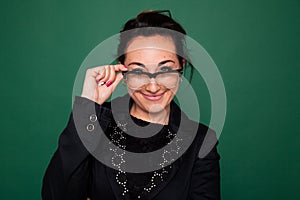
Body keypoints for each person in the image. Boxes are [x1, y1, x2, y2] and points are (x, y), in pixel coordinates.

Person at [42, 10, 220, 200]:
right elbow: (55, 195)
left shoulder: (201, 142)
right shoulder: (96, 122)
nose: (153, 86)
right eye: (138, 71)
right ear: (123, 71)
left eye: (165, 70)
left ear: (180, 67)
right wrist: (88, 105)